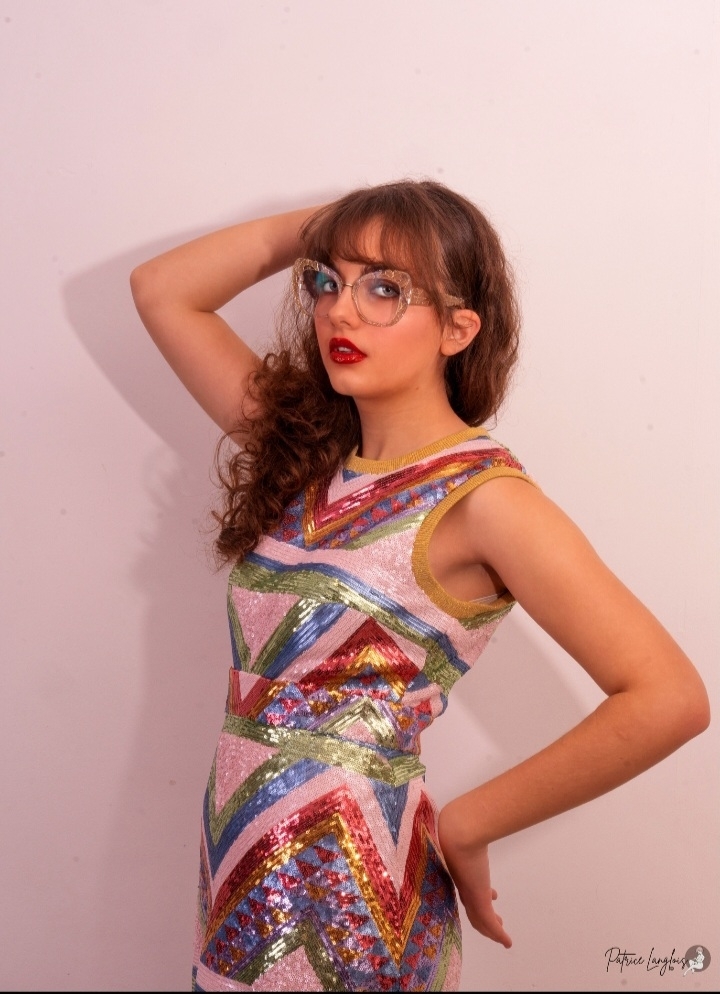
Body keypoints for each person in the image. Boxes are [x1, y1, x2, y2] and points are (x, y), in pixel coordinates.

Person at [130, 179, 710, 993]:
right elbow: (162, 290)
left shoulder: (486, 501)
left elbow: (669, 697)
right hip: (240, 871)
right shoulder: (304, 456)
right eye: (327, 281)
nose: (340, 312)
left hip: (351, 894)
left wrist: (471, 822)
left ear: (458, 329)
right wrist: (340, 224)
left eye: (385, 289)